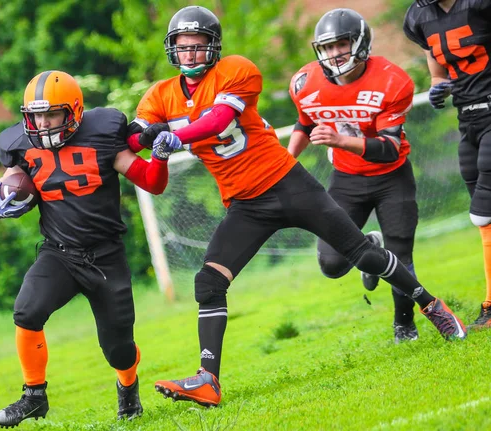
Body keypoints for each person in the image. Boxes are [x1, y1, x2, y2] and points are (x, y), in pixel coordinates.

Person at [127, 5, 466, 408]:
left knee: (361, 254)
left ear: (213, 48)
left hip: (286, 184)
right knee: (209, 283)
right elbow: (135, 137)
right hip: (244, 203)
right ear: (172, 49)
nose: (190, 53)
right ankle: (207, 380)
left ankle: (431, 305)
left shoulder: (237, 69)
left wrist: (168, 133)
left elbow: (217, 121)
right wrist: (129, 135)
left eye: (198, 45)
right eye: (182, 46)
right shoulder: (159, 94)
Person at [0, 70, 173, 427]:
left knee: (118, 349)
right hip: (59, 252)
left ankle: (128, 385)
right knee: (27, 311)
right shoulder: (20, 145)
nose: (42, 124)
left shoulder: (102, 135)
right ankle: (33, 396)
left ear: (74, 111)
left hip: (105, 256)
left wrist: (160, 157)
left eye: (51, 114)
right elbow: (16, 180)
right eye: (35, 116)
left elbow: (152, 182)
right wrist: (5, 195)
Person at [288, 8, 420, 344]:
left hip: (392, 177)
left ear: (360, 43)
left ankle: (404, 327)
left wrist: (339, 140)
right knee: (331, 263)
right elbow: (305, 125)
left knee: (401, 254)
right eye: (328, 47)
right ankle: (369, 248)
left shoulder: (392, 80)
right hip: (347, 179)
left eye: (342, 44)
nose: (335, 54)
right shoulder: (305, 83)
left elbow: (390, 148)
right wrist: (285, 162)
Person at [404, 0, 491, 330]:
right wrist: (438, 87)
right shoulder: (419, 16)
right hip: (468, 121)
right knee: (484, 213)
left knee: (484, 213)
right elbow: (438, 72)